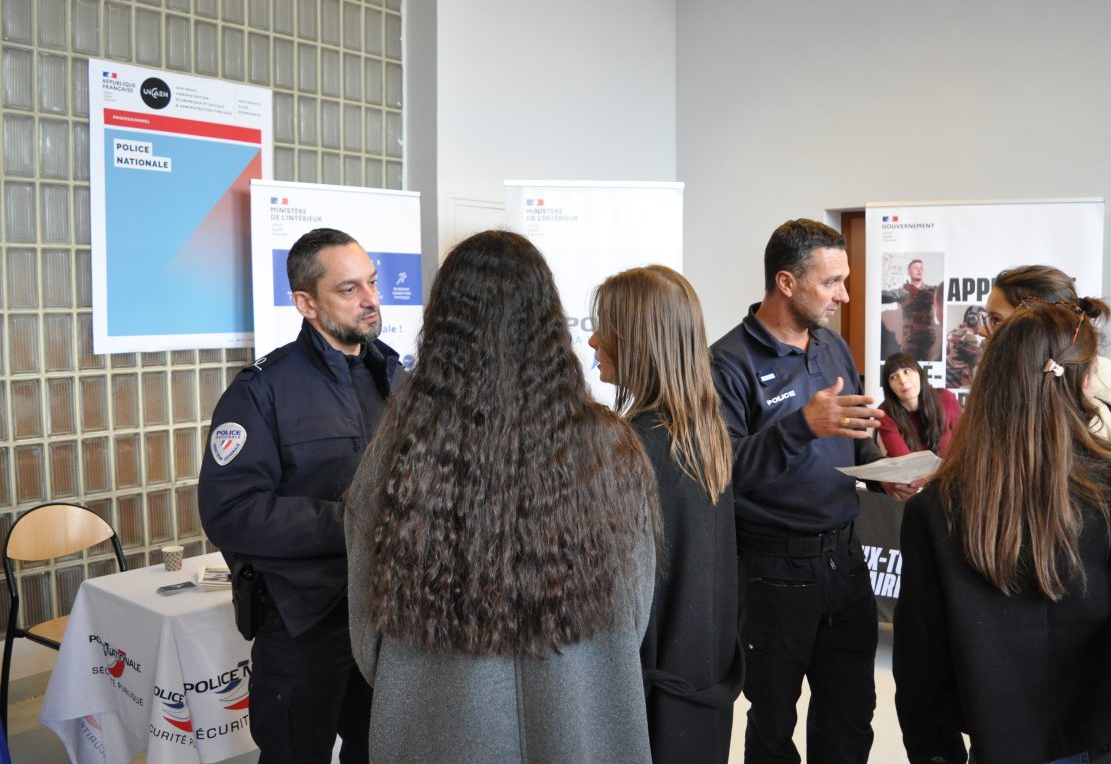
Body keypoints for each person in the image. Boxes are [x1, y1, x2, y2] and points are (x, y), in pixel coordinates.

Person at [343, 230, 660, 763]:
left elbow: (367, 637)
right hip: (581, 718)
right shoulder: (611, 447)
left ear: (442, 325)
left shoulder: (397, 451)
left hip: (437, 726)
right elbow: (634, 609)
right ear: (548, 322)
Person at [893, 300, 1111, 764]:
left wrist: (934, 754)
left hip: (997, 743)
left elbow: (920, 665)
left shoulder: (937, 509)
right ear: (1083, 381)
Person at [711, 218, 920, 763]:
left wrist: (883, 472)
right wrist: (803, 423)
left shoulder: (832, 348)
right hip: (772, 571)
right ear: (786, 282)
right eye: (831, 282)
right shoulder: (726, 362)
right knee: (773, 722)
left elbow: (855, 438)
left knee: (851, 715)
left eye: (844, 280)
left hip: (845, 563)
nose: (844, 295)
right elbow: (723, 468)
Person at [198, 228, 401, 763]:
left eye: (373, 284)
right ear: (306, 303)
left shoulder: (395, 376)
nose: (371, 300)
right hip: (304, 621)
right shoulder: (262, 389)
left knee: (378, 751)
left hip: (388, 614)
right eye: (350, 289)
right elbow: (231, 511)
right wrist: (356, 522)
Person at [590, 265, 741, 763]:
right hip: (701, 687)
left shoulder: (630, 445)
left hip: (651, 705)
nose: (591, 340)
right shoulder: (705, 436)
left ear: (635, 339)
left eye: (604, 328)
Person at [983, 265, 1111, 440]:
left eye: (996, 320)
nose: (981, 330)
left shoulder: (1087, 414)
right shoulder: (1008, 385)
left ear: (1037, 327)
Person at [877, 352, 961, 457]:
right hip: (908, 472)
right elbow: (904, 462)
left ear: (919, 374)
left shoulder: (946, 399)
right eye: (893, 377)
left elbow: (963, 444)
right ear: (889, 387)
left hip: (948, 471)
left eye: (906, 371)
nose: (903, 381)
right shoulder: (884, 414)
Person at [882, 258, 942, 361]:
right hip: (910, 343)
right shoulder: (903, 292)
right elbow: (885, 296)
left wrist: (914, 291)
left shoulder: (933, 290)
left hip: (929, 342)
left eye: (921, 268)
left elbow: (938, 296)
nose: (919, 270)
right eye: (916, 268)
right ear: (909, 272)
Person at [944, 305, 985, 389]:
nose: (986, 323)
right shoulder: (968, 338)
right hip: (956, 385)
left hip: (949, 382)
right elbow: (984, 361)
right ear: (973, 319)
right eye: (984, 319)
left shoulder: (956, 332)